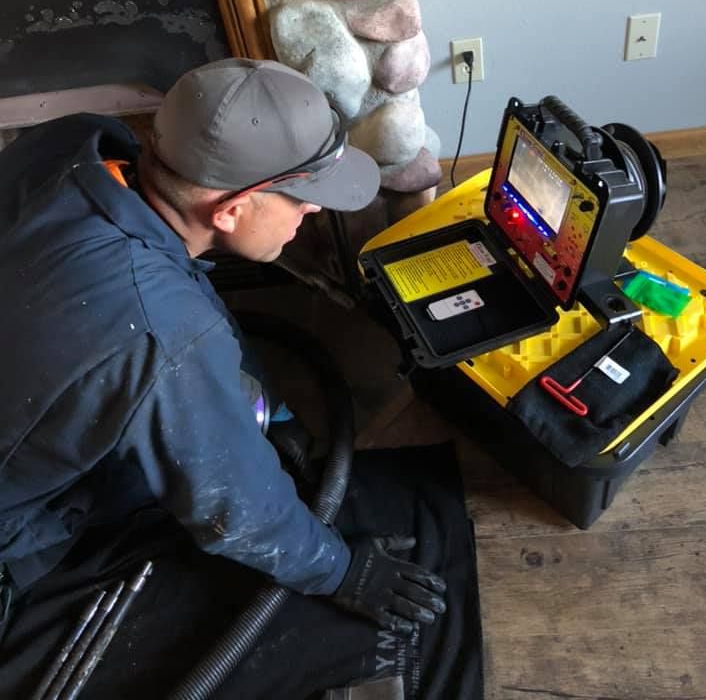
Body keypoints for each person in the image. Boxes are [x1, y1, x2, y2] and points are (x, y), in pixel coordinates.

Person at [0, 58, 446, 651]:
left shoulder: (75, 141)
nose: (314, 210)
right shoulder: (165, 333)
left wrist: (268, 409)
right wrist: (342, 572)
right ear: (231, 209)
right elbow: (232, 507)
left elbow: (178, 286)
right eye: (301, 198)